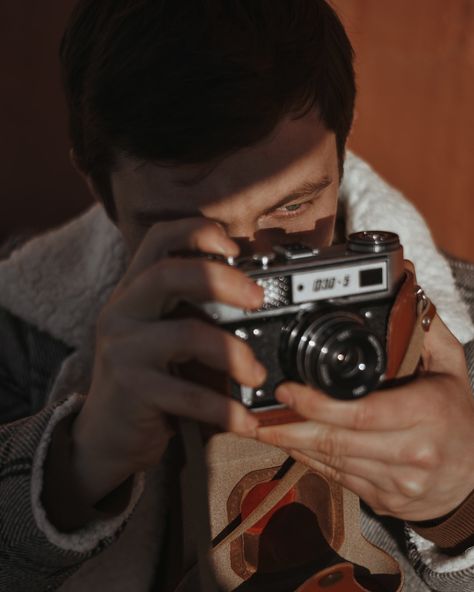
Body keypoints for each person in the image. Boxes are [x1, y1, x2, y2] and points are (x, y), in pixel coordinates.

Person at [0, 1, 473, 590]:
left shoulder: (460, 322)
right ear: (99, 188)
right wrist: (73, 467)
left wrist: (460, 510)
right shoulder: (15, 326)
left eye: (294, 208)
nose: (252, 269)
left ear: (340, 153)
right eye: (186, 229)